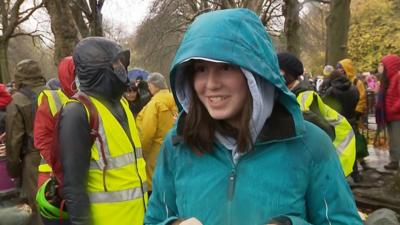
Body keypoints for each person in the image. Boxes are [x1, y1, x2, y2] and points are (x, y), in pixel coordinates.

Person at [144, 8, 362, 225]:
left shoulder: (310, 145)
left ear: (255, 73)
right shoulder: (178, 144)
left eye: (226, 67)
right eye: (200, 69)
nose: (211, 84)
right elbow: (154, 220)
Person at [58, 37, 148, 225]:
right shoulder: (78, 112)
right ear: (97, 69)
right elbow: (74, 189)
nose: (121, 68)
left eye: (122, 63)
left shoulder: (123, 104)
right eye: (115, 63)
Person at [6, 59, 47, 225]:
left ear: (19, 77)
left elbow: (14, 140)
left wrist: (14, 170)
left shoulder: (16, 100)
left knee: (39, 207)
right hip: (60, 155)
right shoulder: (55, 92)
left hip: (34, 160)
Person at [34, 56, 76, 190]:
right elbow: (42, 138)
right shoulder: (51, 99)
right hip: (52, 173)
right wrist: (60, 168)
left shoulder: (89, 97)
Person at [136, 72, 177, 192]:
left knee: (155, 187)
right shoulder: (176, 99)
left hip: (156, 153)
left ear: (154, 85)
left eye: (149, 85)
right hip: (175, 148)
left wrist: (143, 153)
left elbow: (147, 133)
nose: (148, 88)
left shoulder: (154, 104)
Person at [379, 54, 400, 170]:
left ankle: (395, 161)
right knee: (393, 138)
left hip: (396, 115)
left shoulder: (397, 77)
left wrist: (393, 109)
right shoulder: (389, 79)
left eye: (383, 65)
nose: (381, 67)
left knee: (396, 139)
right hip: (390, 115)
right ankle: (394, 160)